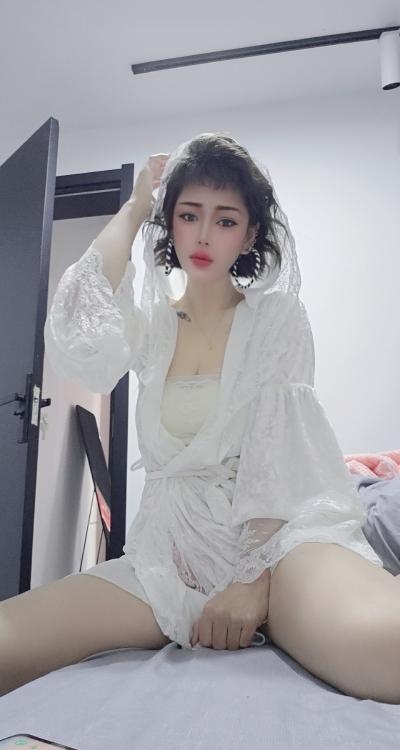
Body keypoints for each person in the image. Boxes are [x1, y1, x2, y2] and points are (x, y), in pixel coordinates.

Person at [1, 133, 400, 704]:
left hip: (280, 548)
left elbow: (278, 456)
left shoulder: (277, 318)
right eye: (189, 216)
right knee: (9, 640)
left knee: (385, 648)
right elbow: (79, 325)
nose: (205, 235)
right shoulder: (151, 327)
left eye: (226, 220)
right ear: (171, 224)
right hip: (168, 555)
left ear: (250, 234)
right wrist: (136, 205)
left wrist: (254, 581)